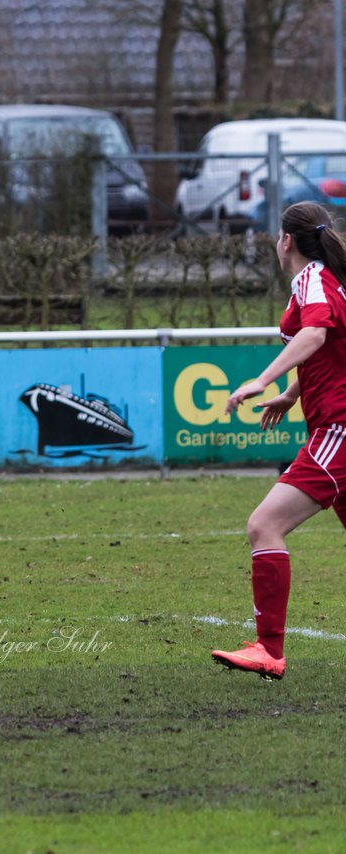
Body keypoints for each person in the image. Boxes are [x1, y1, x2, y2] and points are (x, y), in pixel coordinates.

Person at [211, 201, 346, 680]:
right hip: (332, 423)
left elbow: (313, 335)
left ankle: (269, 650)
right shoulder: (328, 280)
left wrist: (264, 381)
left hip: (339, 429)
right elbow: (329, 345)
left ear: (285, 240)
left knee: (263, 525)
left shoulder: (313, 278)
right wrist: (293, 394)